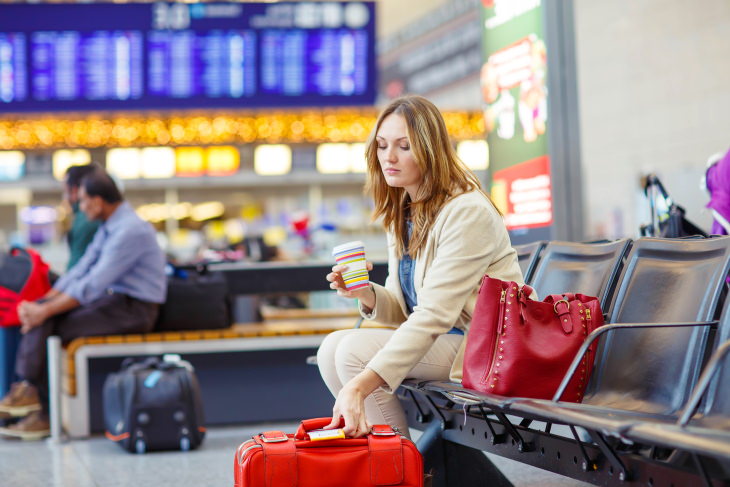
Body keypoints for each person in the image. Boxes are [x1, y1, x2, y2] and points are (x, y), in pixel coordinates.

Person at [317, 95, 525, 439]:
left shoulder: (466, 211)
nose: (389, 157)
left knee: (352, 354)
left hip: (483, 347)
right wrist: (366, 294)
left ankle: (398, 470)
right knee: (331, 349)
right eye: (382, 146)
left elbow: (434, 316)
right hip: (443, 339)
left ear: (430, 150)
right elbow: (403, 310)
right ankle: (388, 462)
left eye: (404, 146)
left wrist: (359, 387)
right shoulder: (405, 212)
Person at [0, 167, 167, 439]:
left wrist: (43, 311)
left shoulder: (130, 230)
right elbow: (80, 272)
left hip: (135, 310)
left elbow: (94, 284)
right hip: (115, 303)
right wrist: (44, 302)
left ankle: (32, 396)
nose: (80, 205)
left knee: (51, 324)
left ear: (99, 200)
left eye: (84, 200)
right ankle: (30, 394)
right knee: (47, 317)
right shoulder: (109, 227)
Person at [64, 164, 100, 270]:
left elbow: (77, 263)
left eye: (65, 190)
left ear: (75, 190)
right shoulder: (83, 217)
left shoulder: (86, 219)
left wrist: (64, 285)